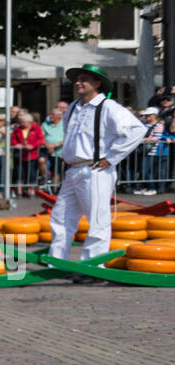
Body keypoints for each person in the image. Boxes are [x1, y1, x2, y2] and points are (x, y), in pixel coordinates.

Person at [50, 66, 145, 259]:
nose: (78, 82)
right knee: (60, 217)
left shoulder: (108, 106)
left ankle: (93, 264)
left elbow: (137, 130)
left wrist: (110, 158)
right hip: (73, 170)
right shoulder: (73, 107)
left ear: (97, 83)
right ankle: (57, 260)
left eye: (84, 79)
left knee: (97, 219)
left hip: (94, 170)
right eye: (77, 79)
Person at [138, 106, 166, 194]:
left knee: (147, 170)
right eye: (146, 115)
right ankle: (146, 187)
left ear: (154, 115)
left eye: (148, 115)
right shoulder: (144, 123)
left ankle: (152, 188)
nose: (146, 116)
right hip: (143, 150)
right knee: (142, 170)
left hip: (152, 151)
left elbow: (156, 138)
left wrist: (144, 140)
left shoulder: (159, 125)